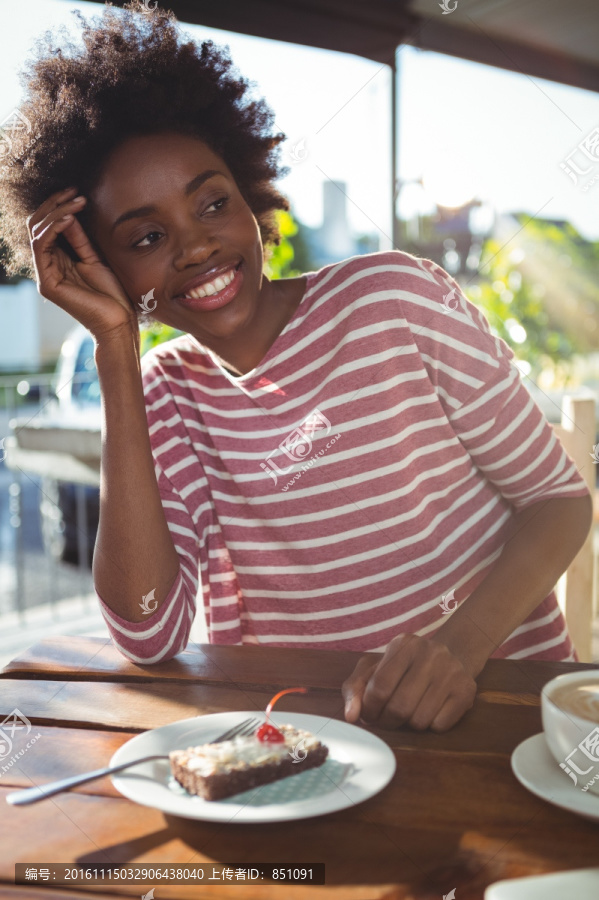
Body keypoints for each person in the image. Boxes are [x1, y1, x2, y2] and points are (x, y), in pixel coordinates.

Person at [0, 1, 591, 733]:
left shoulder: (393, 299)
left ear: (249, 196)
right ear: (104, 268)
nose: (195, 246)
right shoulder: (164, 395)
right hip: (310, 753)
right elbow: (148, 633)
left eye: (212, 203)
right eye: (147, 236)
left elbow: (558, 501)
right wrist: (116, 351)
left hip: (504, 724)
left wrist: (457, 647)